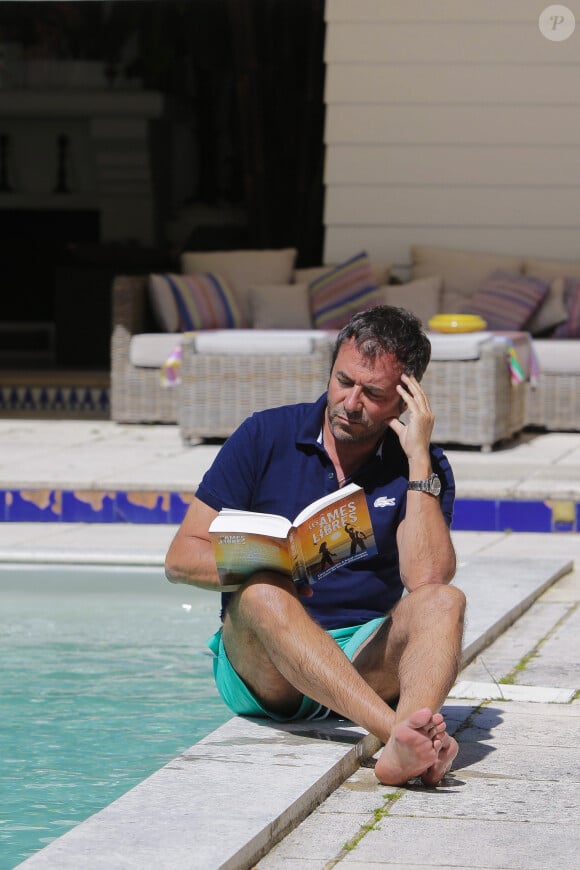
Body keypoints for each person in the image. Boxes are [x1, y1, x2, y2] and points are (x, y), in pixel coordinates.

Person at [165, 305, 466, 787]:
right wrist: (271, 568)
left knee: (446, 601)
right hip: (267, 666)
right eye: (344, 381)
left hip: (361, 655)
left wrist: (416, 464)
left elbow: (427, 580)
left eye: (373, 394)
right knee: (262, 589)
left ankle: (408, 741)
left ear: (405, 401)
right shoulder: (264, 435)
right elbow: (180, 559)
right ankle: (401, 739)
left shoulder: (423, 467)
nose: (350, 402)